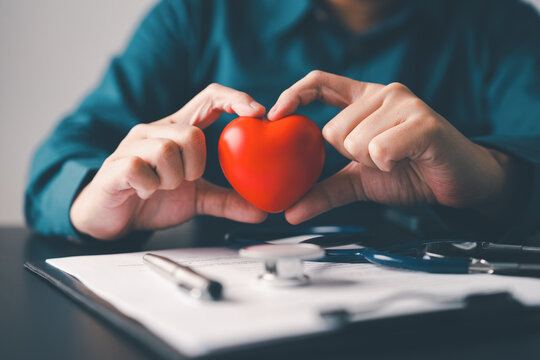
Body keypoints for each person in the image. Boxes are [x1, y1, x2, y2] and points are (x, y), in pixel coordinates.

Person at [26, 0, 540, 243]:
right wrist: (96, 205)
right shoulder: (196, 16)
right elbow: (59, 160)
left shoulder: (505, 27)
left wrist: (496, 179)